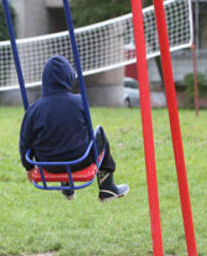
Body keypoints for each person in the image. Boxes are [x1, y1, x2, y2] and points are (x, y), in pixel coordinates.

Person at [19, 55, 129, 202]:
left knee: (43, 136)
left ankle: (67, 185)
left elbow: (25, 142)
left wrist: (29, 167)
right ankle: (107, 188)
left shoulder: (34, 109)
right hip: (79, 160)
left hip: (48, 164)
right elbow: (88, 134)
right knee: (99, 133)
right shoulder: (79, 102)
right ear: (68, 78)